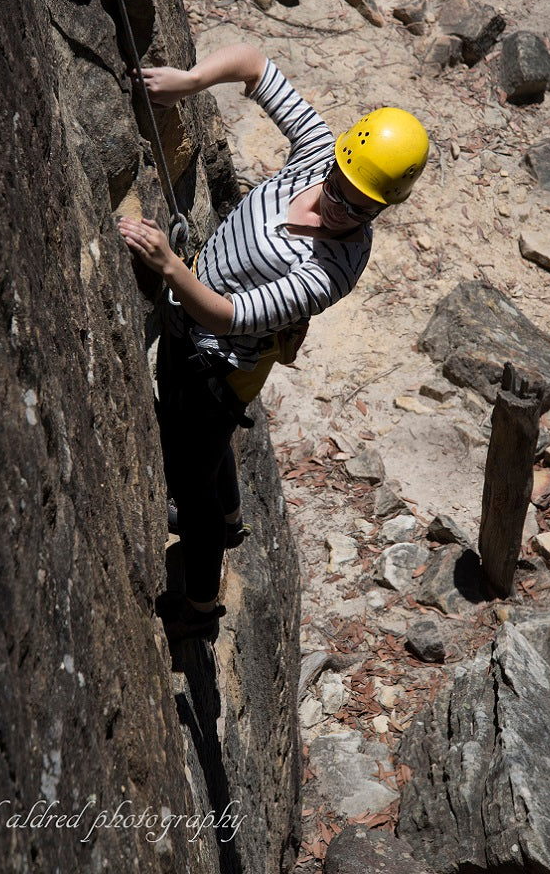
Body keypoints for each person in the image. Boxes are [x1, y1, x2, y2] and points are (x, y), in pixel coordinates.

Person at [118, 43, 429, 642]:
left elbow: (232, 317)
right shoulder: (318, 156)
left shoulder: (334, 268)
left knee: (192, 487)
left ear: (382, 208)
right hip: (202, 343)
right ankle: (233, 517)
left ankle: (203, 608)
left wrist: (171, 267)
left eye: (361, 206)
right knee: (212, 451)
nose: (337, 206)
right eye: (339, 187)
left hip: (218, 359)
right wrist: (189, 81)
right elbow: (255, 65)